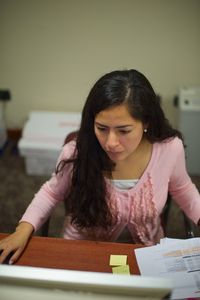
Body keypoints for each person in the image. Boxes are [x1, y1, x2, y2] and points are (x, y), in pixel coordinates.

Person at [0, 69, 200, 265]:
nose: (111, 142)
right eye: (102, 128)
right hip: (84, 250)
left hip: (146, 254)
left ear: (146, 122)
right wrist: (22, 231)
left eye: (124, 130)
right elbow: (51, 193)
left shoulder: (169, 149)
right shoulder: (76, 152)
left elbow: (183, 189)